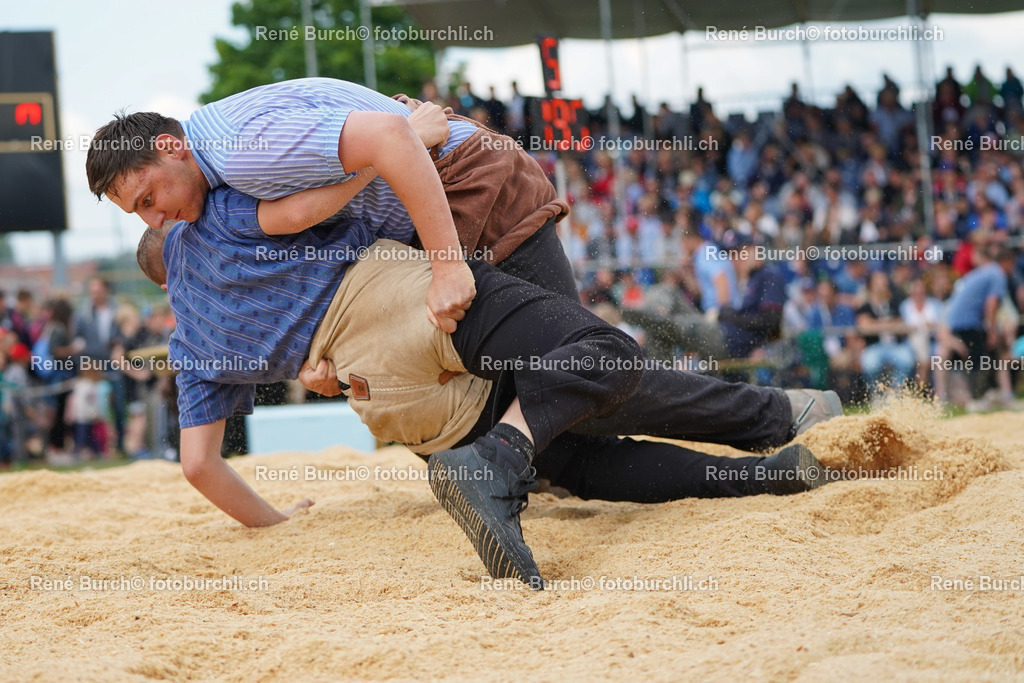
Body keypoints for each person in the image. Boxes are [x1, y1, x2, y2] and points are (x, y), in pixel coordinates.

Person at [137, 181, 843, 589]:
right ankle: (775, 417)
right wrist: (400, 138)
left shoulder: (192, 342)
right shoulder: (222, 220)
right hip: (398, 310)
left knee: (577, 461)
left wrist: (277, 521)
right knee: (598, 359)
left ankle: (762, 471)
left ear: (165, 287)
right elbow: (327, 195)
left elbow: (199, 464)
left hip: (390, 405)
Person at [86, 78, 576, 331]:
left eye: (148, 197)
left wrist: (447, 268)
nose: (154, 219)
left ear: (171, 147)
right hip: (437, 193)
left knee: (571, 359)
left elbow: (388, 137)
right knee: (520, 379)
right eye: (138, 212)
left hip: (466, 180)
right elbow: (304, 213)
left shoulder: (239, 153)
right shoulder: (215, 155)